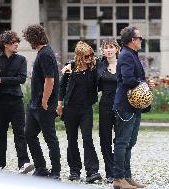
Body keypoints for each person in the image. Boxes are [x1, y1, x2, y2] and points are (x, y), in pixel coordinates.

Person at [0, 31, 34, 174]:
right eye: (14, 42)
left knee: (20, 133)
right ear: (5, 44)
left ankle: (24, 163)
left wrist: (1, 79)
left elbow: (21, 79)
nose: (17, 44)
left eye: (17, 42)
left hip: (15, 101)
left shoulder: (21, 59)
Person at [112, 26, 155, 189]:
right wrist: (142, 83)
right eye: (140, 38)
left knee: (130, 142)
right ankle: (118, 179)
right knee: (122, 142)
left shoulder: (132, 55)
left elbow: (136, 78)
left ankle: (127, 177)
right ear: (132, 40)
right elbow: (128, 79)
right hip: (125, 105)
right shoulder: (126, 56)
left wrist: (146, 82)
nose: (141, 41)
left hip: (133, 106)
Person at [56, 41, 102, 183]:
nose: (89, 58)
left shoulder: (94, 67)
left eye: (91, 55)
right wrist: (59, 104)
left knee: (87, 138)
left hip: (86, 108)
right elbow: (62, 87)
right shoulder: (71, 69)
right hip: (70, 108)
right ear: (79, 56)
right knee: (72, 140)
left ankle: (92, 171)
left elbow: (104, 60)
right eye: (86, 56)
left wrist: (70, 62)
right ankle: (74, 171)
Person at [23, 24, 61, 180]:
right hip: (34, 104)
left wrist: (45, 101)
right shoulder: (42, 53)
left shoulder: (45, 54)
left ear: (33, 39)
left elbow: (50, 80)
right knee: (29, 134)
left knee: (50, 138)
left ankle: (56, 172)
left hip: (43, 105)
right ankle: (41, 168)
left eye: (28, 39)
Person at [97, 38, 120, 183]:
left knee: (119, 140)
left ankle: (120, 171)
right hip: (105, 105)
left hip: (120, 106)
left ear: (117, 49)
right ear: (102, 51)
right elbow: (80, 63)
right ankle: (109, 172)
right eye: (106, 48)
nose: (109, 50)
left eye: (112, 47)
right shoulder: (99, 65)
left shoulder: (123, 64)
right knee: (105, 139)